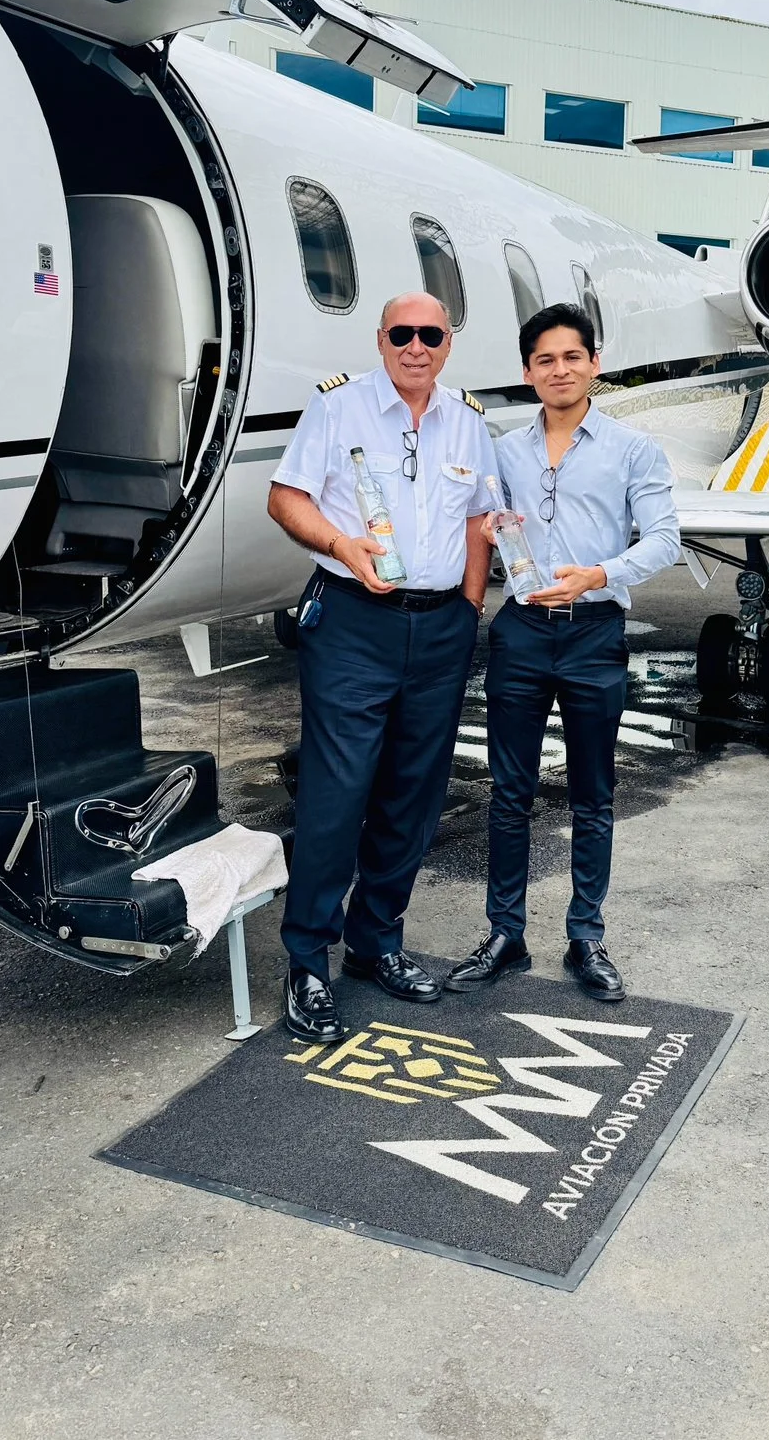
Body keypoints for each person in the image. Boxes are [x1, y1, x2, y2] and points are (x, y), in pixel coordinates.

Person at [268, 292, 494, 1043]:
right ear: (381, 339)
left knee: (414, 794)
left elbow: (477, 520)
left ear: (447, 343)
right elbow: (285, 498)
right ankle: (308, 962)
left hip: (440, 628)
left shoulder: (468, 420)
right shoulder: (339, 407)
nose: (415, 346)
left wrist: (467, 609)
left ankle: (375, 941)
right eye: (402, 333)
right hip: (353, 624)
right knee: (337, 794)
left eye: (430, 334)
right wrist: (341, 545)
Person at [445, 302, 680, 1004]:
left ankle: (586, 936)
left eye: (572, 356)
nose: (559, 370)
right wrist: (488, 537)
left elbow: (664, 539)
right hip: (520, 630)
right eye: (544, 360)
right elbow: (480, 524)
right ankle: (505, 934)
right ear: (528, 371)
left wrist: (599, 574)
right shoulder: (505, 451)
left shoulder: (633, 449)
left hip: (593, 631)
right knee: (509, 792)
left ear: (594, 364)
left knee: (592, 794)